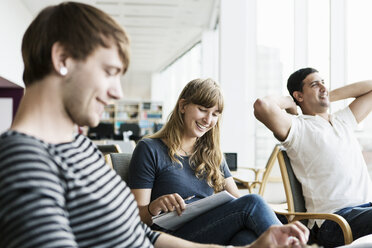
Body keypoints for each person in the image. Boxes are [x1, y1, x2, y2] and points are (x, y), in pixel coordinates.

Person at [0, 2, 310, 248]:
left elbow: (141, 237)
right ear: (62, 59)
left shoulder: (80, 148)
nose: (117, 92)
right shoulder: (24, 160)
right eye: (109, 72)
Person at [128, 78, 282, 246]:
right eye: (202, 110)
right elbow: (136, 218)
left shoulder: (212, 154)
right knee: (253, 202)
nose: (208, 120)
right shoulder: (150, 149)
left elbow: (237, 201)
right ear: (183, 106)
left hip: (207, 231)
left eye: (215, 114)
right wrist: (154, 207)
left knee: (247, 238)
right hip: (172, 238)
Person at [253, 67, 372, 247]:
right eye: (315, 85)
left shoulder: (343, 120)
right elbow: (262, 105)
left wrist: (327, 94)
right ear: (299, 95)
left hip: (365, 210)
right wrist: (291, 102)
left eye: (323, 83)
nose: (323, 87)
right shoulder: (298, 127)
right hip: (334, 221)